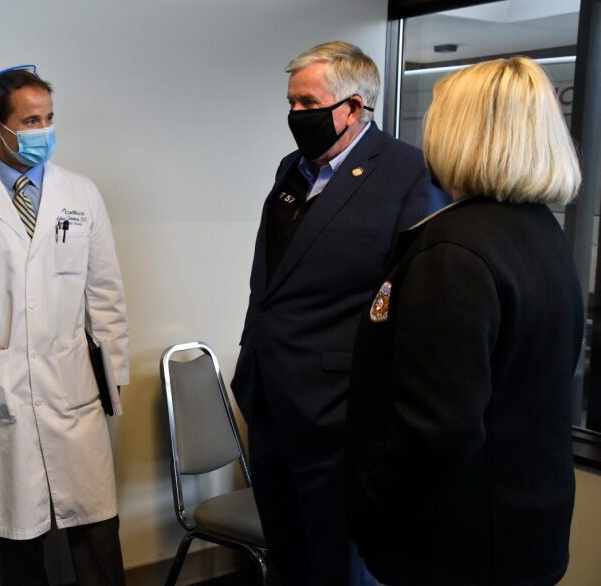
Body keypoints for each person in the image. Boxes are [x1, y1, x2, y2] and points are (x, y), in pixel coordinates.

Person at [345, 56, 583, 586]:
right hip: (523, 534)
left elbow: (437, 428)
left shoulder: (453, 250)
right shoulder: (542, 234)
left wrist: (369, 507)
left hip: (456, 548)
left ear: (460, 132)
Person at [229, 41, 447, 585]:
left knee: (337, 564)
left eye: (308, 103)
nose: (295, 116)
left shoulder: (410, 176)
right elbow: (276, 281)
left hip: (340, 412)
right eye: (291, 103)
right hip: (270, 399)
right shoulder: (293, 170)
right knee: (287, 555)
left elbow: (411, 306)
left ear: (353, 108)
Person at [0, 65, 129, 586]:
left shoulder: (81, 195)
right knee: (20, 540)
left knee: (97, 533)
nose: (43, 131)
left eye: (49, 118)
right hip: (1, 386)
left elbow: (105, 295)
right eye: (30, 120)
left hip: (73, 388)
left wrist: (112, 385)